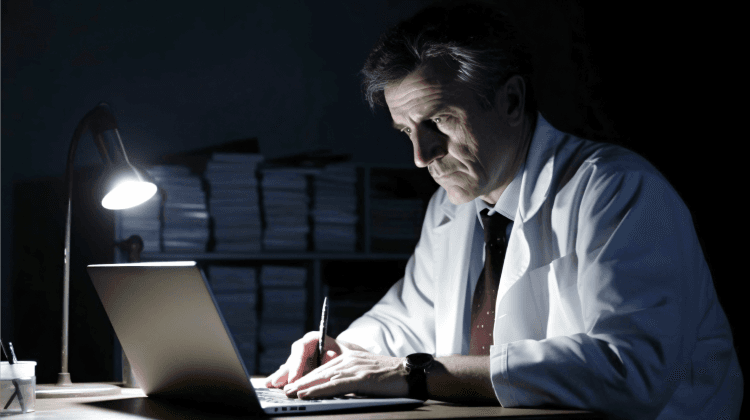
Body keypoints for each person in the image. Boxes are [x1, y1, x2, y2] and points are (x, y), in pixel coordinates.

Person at [265, 2, 743, 419]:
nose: (420, 155)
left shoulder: (618, 189)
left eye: (439, 121)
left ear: (512, 101)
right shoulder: (451, 208)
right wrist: (341, 351)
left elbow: (629, 370)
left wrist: (413, 372)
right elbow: (406, 320)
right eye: (406, 131)